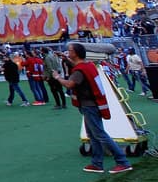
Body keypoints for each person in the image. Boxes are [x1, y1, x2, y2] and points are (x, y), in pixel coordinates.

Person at [53, 43, 131, 174]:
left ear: (76, 53)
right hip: (93, 104)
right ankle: (97, 163)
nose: (68, 52)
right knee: (93, 136)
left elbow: (70, 83)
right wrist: (66, 59)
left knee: (99, 135)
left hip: (88, 106)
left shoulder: (79, 71)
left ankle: (122, 161)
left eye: (70, 51)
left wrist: (57, 77)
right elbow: (78, 67)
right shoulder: (88, 65)